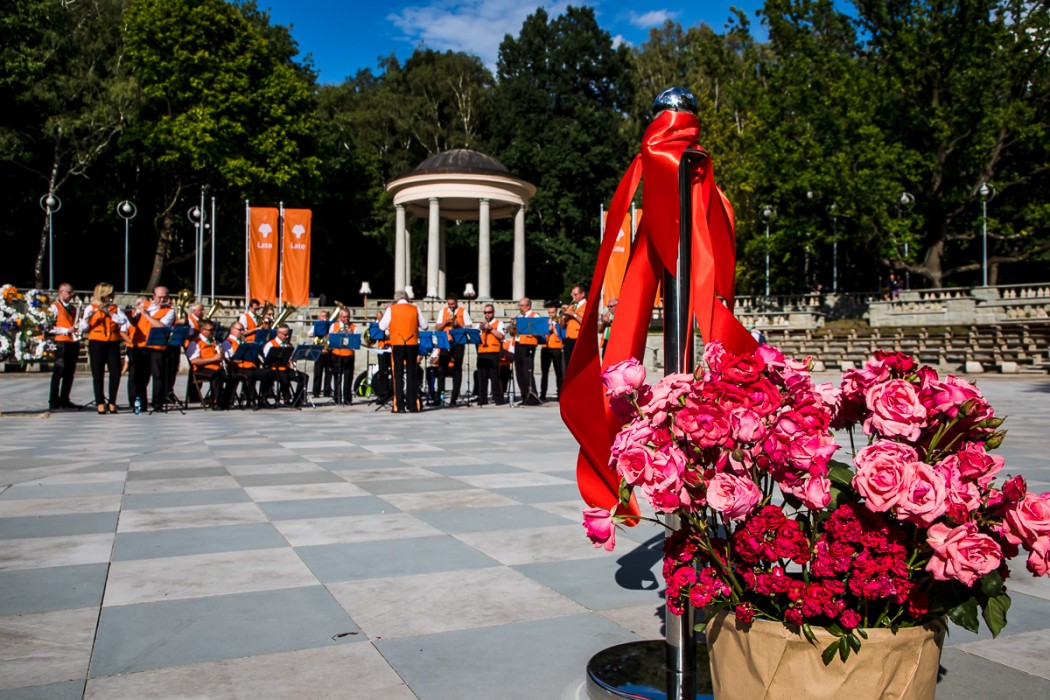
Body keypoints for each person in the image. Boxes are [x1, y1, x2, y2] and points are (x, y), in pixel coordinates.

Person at [79, 283, 129, 415]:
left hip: (112, 342)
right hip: (97, 342)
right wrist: (90, 317)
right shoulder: (91, 307)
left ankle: (112, 401)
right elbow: (83, 327)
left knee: (115, 371)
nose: (112, 296)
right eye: (110, 294)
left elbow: (122, 320)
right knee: (98, 373)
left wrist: (110, 314)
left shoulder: (114, 308)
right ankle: (100, 402)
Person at [378, 290, 427, 413]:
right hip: (412, 343)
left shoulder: (392, 309)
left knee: (398, 374)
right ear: (407, 298)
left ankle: (399, 406)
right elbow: (425, 325)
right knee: (412, 374)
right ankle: (412, 405)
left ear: (396, 299)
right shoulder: (415, 308)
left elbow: (381, 326)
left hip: (398, 343)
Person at [46, 282, 80, 411]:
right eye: (68, 292)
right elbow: (48, 327)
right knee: (59, 371)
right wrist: (66, 330)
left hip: (72, 342)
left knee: (69, 372)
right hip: (61, 341)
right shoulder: (54, 307)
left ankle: (65, 399)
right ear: (61, 292)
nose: (71, 295)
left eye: (72, 292)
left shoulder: (73, 309)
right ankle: (53, 400)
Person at [142, 286, 176, 411]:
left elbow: (161, 326)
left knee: (158, 376)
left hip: (158, 346)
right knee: (142, 376)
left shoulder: (170, 311)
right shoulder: (145, 305)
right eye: (159, 297)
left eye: (164, 297)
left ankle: (157, 403)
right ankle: (141, 404)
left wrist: (145, 315)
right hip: (142, 346)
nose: (161, 300)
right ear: (153, 297)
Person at [435, 294, 472, 406]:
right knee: (441, 369)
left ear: (456, 302)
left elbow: (469, 327)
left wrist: (458, 324)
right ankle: (439, 397)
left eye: (453, 304)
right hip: (446, 342)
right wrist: (445, 322)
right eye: (449, 304)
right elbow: (437, 328)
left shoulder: (463, 311)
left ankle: (454, 398)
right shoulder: (443, 311)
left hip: (458, 342)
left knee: (457, 369)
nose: (451, 306)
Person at [260, 323, 308, 406]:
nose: (287, 336)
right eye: (285, 335)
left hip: (285, 368)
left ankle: (297, 399)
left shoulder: (288, 344)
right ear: (278, 334)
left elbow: (292, 357)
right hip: (273, 369)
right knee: (284, 376)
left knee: (304, 377)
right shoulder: (270, 344)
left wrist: (294, 358)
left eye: (288, 334)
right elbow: (267, 360)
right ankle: (286, 399)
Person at [220, 320, 260, 409]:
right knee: (250, 375)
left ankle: (262, 399)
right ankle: (251, 400)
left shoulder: (241, 341)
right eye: (240, 330)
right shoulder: (227, 342)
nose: (242, 332)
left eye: (243, 330)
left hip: (246, 366)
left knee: (267, 373)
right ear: (232, 330)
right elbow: (229, 358)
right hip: (235, 368)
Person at [186, 320, 226, 408]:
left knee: (229, 374)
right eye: (210, 330)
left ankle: (226, 399)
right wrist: (213, 358)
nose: (212, 332)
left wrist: (221, 353)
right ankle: (215, 401)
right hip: (200, 369)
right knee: (217, 375)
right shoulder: (195, 342)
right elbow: (194, 361)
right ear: (202, 330)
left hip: (214, 367)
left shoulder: (212, 341)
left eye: (213, 330)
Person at [474, 304, 505, 406]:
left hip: (493, 352)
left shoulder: (499, 323)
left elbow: (501, 336)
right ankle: (482, 398)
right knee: (481, 377)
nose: (487, 314)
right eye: (485, 312)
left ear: (493, 313)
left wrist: (490, 328)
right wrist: (481, 330)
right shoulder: (479, 324)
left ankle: (498, 398)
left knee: (494, 376)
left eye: (489, 312)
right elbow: (475, 337)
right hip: (482, 352)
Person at [513, 297, 542, 405]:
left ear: (528, 306)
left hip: (528, 344)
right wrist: (513, 326)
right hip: (518, 344)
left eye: (522, 305)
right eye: (519, 305)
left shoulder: (535, 315)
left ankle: (533, 397)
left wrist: (524, 325)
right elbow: (514, 333)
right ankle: (524, 395)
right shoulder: (519, 316)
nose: (520, 307)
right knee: (519, 372)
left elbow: (538, 330)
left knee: (527, 371)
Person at [125, 296, 151, 410]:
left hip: (144, 346)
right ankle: (133, 399)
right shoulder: (135, 314)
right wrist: (129, 316)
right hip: (132, 346)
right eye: (142, 304)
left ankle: (142, 400)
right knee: (134, 374)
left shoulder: (146, 314)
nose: (145, 306)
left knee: (144, 375)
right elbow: (123, 331)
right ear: (138, 305)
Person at [328, 308, 357, 405]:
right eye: (344, 317)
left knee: (348, 377)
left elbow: (356, 343)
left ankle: (347, 399)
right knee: (337, 377)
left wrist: (351, 334)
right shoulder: (334, 325)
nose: (346, 319)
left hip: (349, 355)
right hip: (337, 354)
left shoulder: (353, 327)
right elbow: (329, 338)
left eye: (348, 317)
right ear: (340, 317)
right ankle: (337, 397)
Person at [540, 300, 564, 402]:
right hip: (545, 347)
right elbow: (541, 333)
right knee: (544, 372)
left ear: (556, 312)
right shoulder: (545, 321)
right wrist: (547, 329)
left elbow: (561, 335)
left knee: (558, 372)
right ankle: (543, 394)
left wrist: (554, 327)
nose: (551, 314)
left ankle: (560, 393)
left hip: (556, 347)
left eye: (553, 313)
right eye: (549, 313)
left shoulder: (560, 320)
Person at [561, 283, 587, 372]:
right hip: (568, 338)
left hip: (579, 338)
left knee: (578, 366)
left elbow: (585, 322)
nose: (573, 297)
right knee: (568, 366)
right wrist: (563, 315)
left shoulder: (586, 305)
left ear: (582, 294)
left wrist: (573, 314)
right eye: (572, 295)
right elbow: (562, 326)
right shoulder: (572, 306)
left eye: (575, 294)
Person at [307, 309, 332, 398]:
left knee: (329, 373)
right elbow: (309, 334)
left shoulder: (330, 326)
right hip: (319, 351)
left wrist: (329, 334)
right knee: (318, 372)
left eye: (326, 316)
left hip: (328, 351)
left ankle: (327, 391)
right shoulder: (317, 325)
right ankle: (316, 391)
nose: (324, 318)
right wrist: (317, 333)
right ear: (319, 317)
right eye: (323, 316)